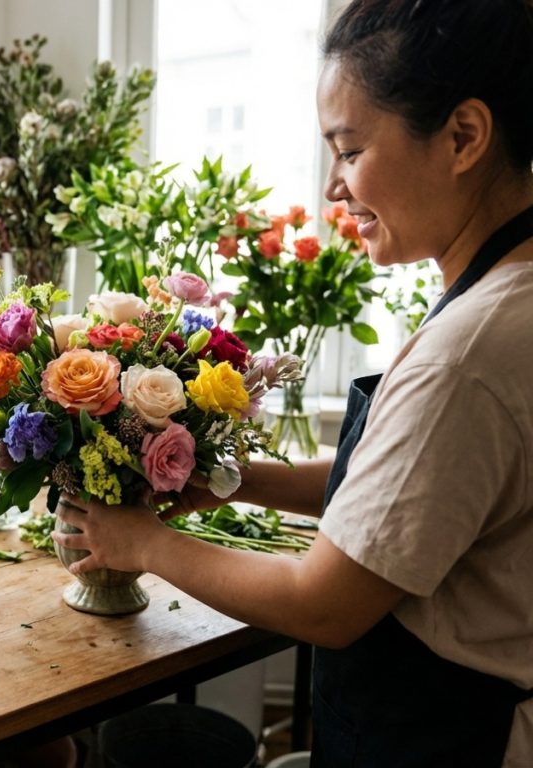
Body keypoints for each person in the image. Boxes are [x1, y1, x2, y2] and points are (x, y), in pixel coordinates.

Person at [52, 0, 533, 765]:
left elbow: (325, 603)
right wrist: (232, 480)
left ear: (463, 136)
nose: (335, 188)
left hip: (444, 736)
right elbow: (404, 496)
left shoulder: (468, 352)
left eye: (349, 149)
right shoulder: (507, 294)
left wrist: (141, 543)